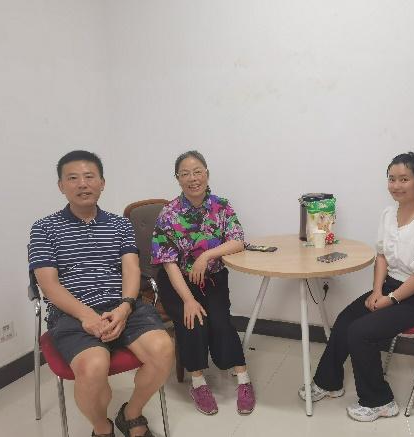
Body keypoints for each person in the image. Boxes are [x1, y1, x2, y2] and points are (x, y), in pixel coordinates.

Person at [29, 150, 173, 437]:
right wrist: (87, 317)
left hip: (121, 304)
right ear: (61, 186)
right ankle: (102, 427)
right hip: (72, 312)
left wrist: (125, 307)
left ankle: (131, 415)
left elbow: (131, 269)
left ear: (102, 183)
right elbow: (49, 285)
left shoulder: (120, 224)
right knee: (94, 366)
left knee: (163, 349)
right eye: (73, 178)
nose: (82, 184)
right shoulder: (44, 228)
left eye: (89, 177)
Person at [299, 152, 414, 422]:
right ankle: (329, 383)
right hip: (390, 287)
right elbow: (381, 256)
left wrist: (391, 299)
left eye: (404, 179)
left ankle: (380, 402)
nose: (396, 185)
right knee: (345, 319)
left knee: (361, 332)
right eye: (392, 179)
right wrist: (378, 291)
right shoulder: (389, 214)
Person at [151, 150, 255, 416]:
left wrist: (206, 255)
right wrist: (188, 299)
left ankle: (243, 380)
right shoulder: (169, 213)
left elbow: (238, 240)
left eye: (197, 172)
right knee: (193, 322)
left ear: (207, 174)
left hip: (213, 278)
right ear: (177, 179)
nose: (192, 178)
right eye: (185, 174)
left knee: (221, 322)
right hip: (178, 282)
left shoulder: (221, 206)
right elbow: (168, 262)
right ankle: (198, 383)